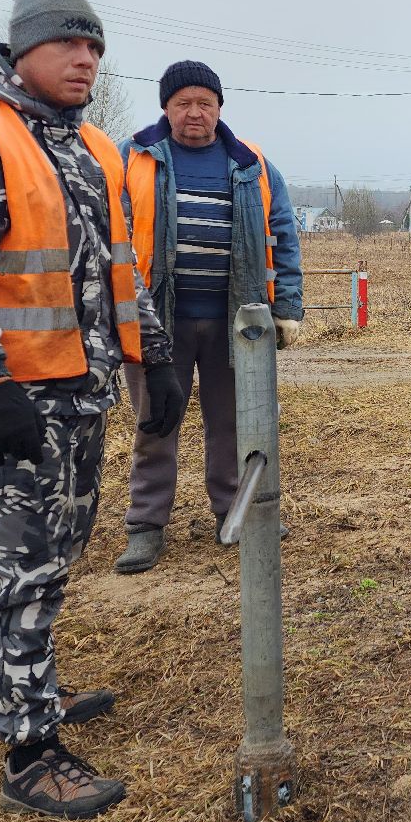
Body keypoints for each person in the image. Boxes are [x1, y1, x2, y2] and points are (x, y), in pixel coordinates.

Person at [0, 0, 188, 817]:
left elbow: (120, 269)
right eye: (69, 43)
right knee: (18, 571)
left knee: (51, 563)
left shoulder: (89, 148)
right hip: (16, 401)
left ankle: (26, 698)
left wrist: (154, 361)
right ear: (21, 51)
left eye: (95, 46)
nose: (85, 58)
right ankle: (32, 758)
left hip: (82, 394)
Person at [112, 61, 304, 574]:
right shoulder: (132, 158)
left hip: (236, 322)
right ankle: (145, 526)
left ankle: (236, 513)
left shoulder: (252, 163)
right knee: (156, 423)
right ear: (166, 108)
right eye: (183, 104)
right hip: (157, 323)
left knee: (237, 425)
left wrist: (286, 308)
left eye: (205, 103)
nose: (194, 113)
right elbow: (106, 239)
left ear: (219, 108)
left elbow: (283, 234)